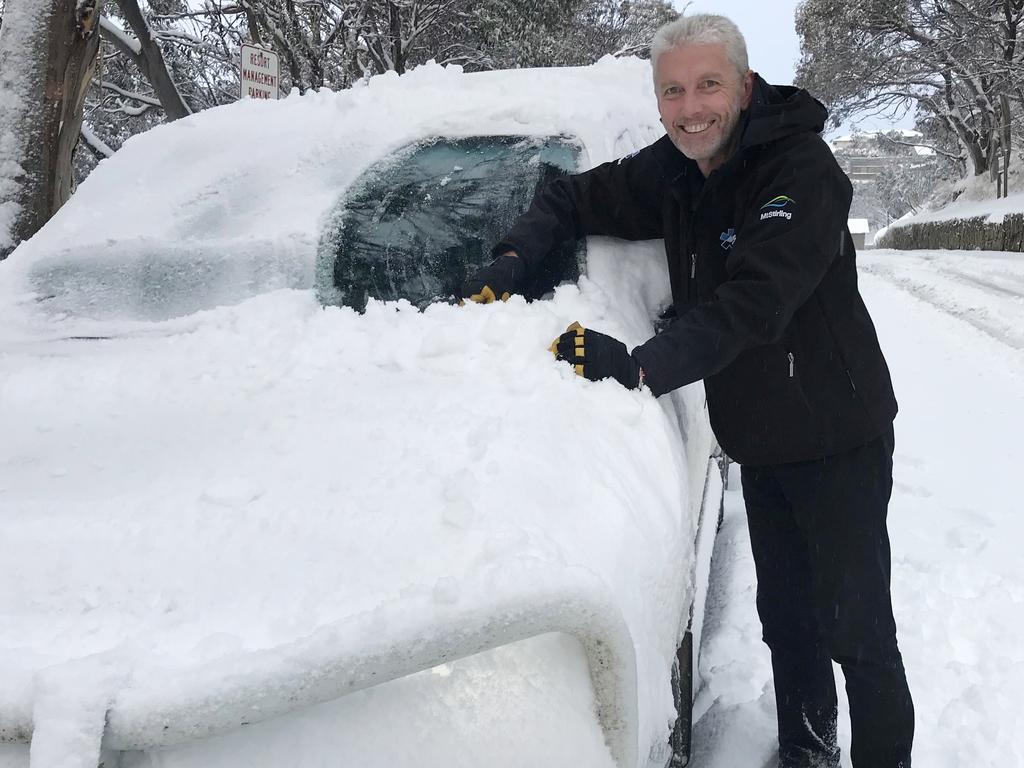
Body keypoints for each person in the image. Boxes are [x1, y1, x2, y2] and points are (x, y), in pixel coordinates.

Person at [462, 13, 914, 768]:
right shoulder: (676, 171)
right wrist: (512, 257)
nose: (690, 106)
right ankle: (808, 753)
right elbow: (571, 197)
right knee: (787, 621)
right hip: (759, 438)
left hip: (839, 436)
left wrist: (643, 363)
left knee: (858, 632)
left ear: (742, 85)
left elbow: (757, 300)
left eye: (707, 85)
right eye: (672, 91)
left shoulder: (800, 171)